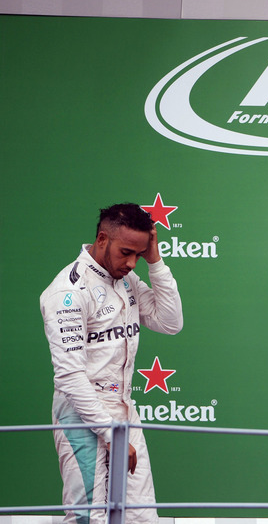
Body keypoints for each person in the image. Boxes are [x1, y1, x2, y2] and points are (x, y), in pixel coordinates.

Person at [40, 203, 183, 524]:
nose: (132, 263)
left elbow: (171, 321)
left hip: (124, 412)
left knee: (141, 519)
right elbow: (70, 377)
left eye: (139, 254)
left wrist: (155, 260)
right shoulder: (68, 291)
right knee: (88, 519)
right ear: (102, 239)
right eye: (126, 252)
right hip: (80, 413)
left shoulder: (125, 280)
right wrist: (110, 434)